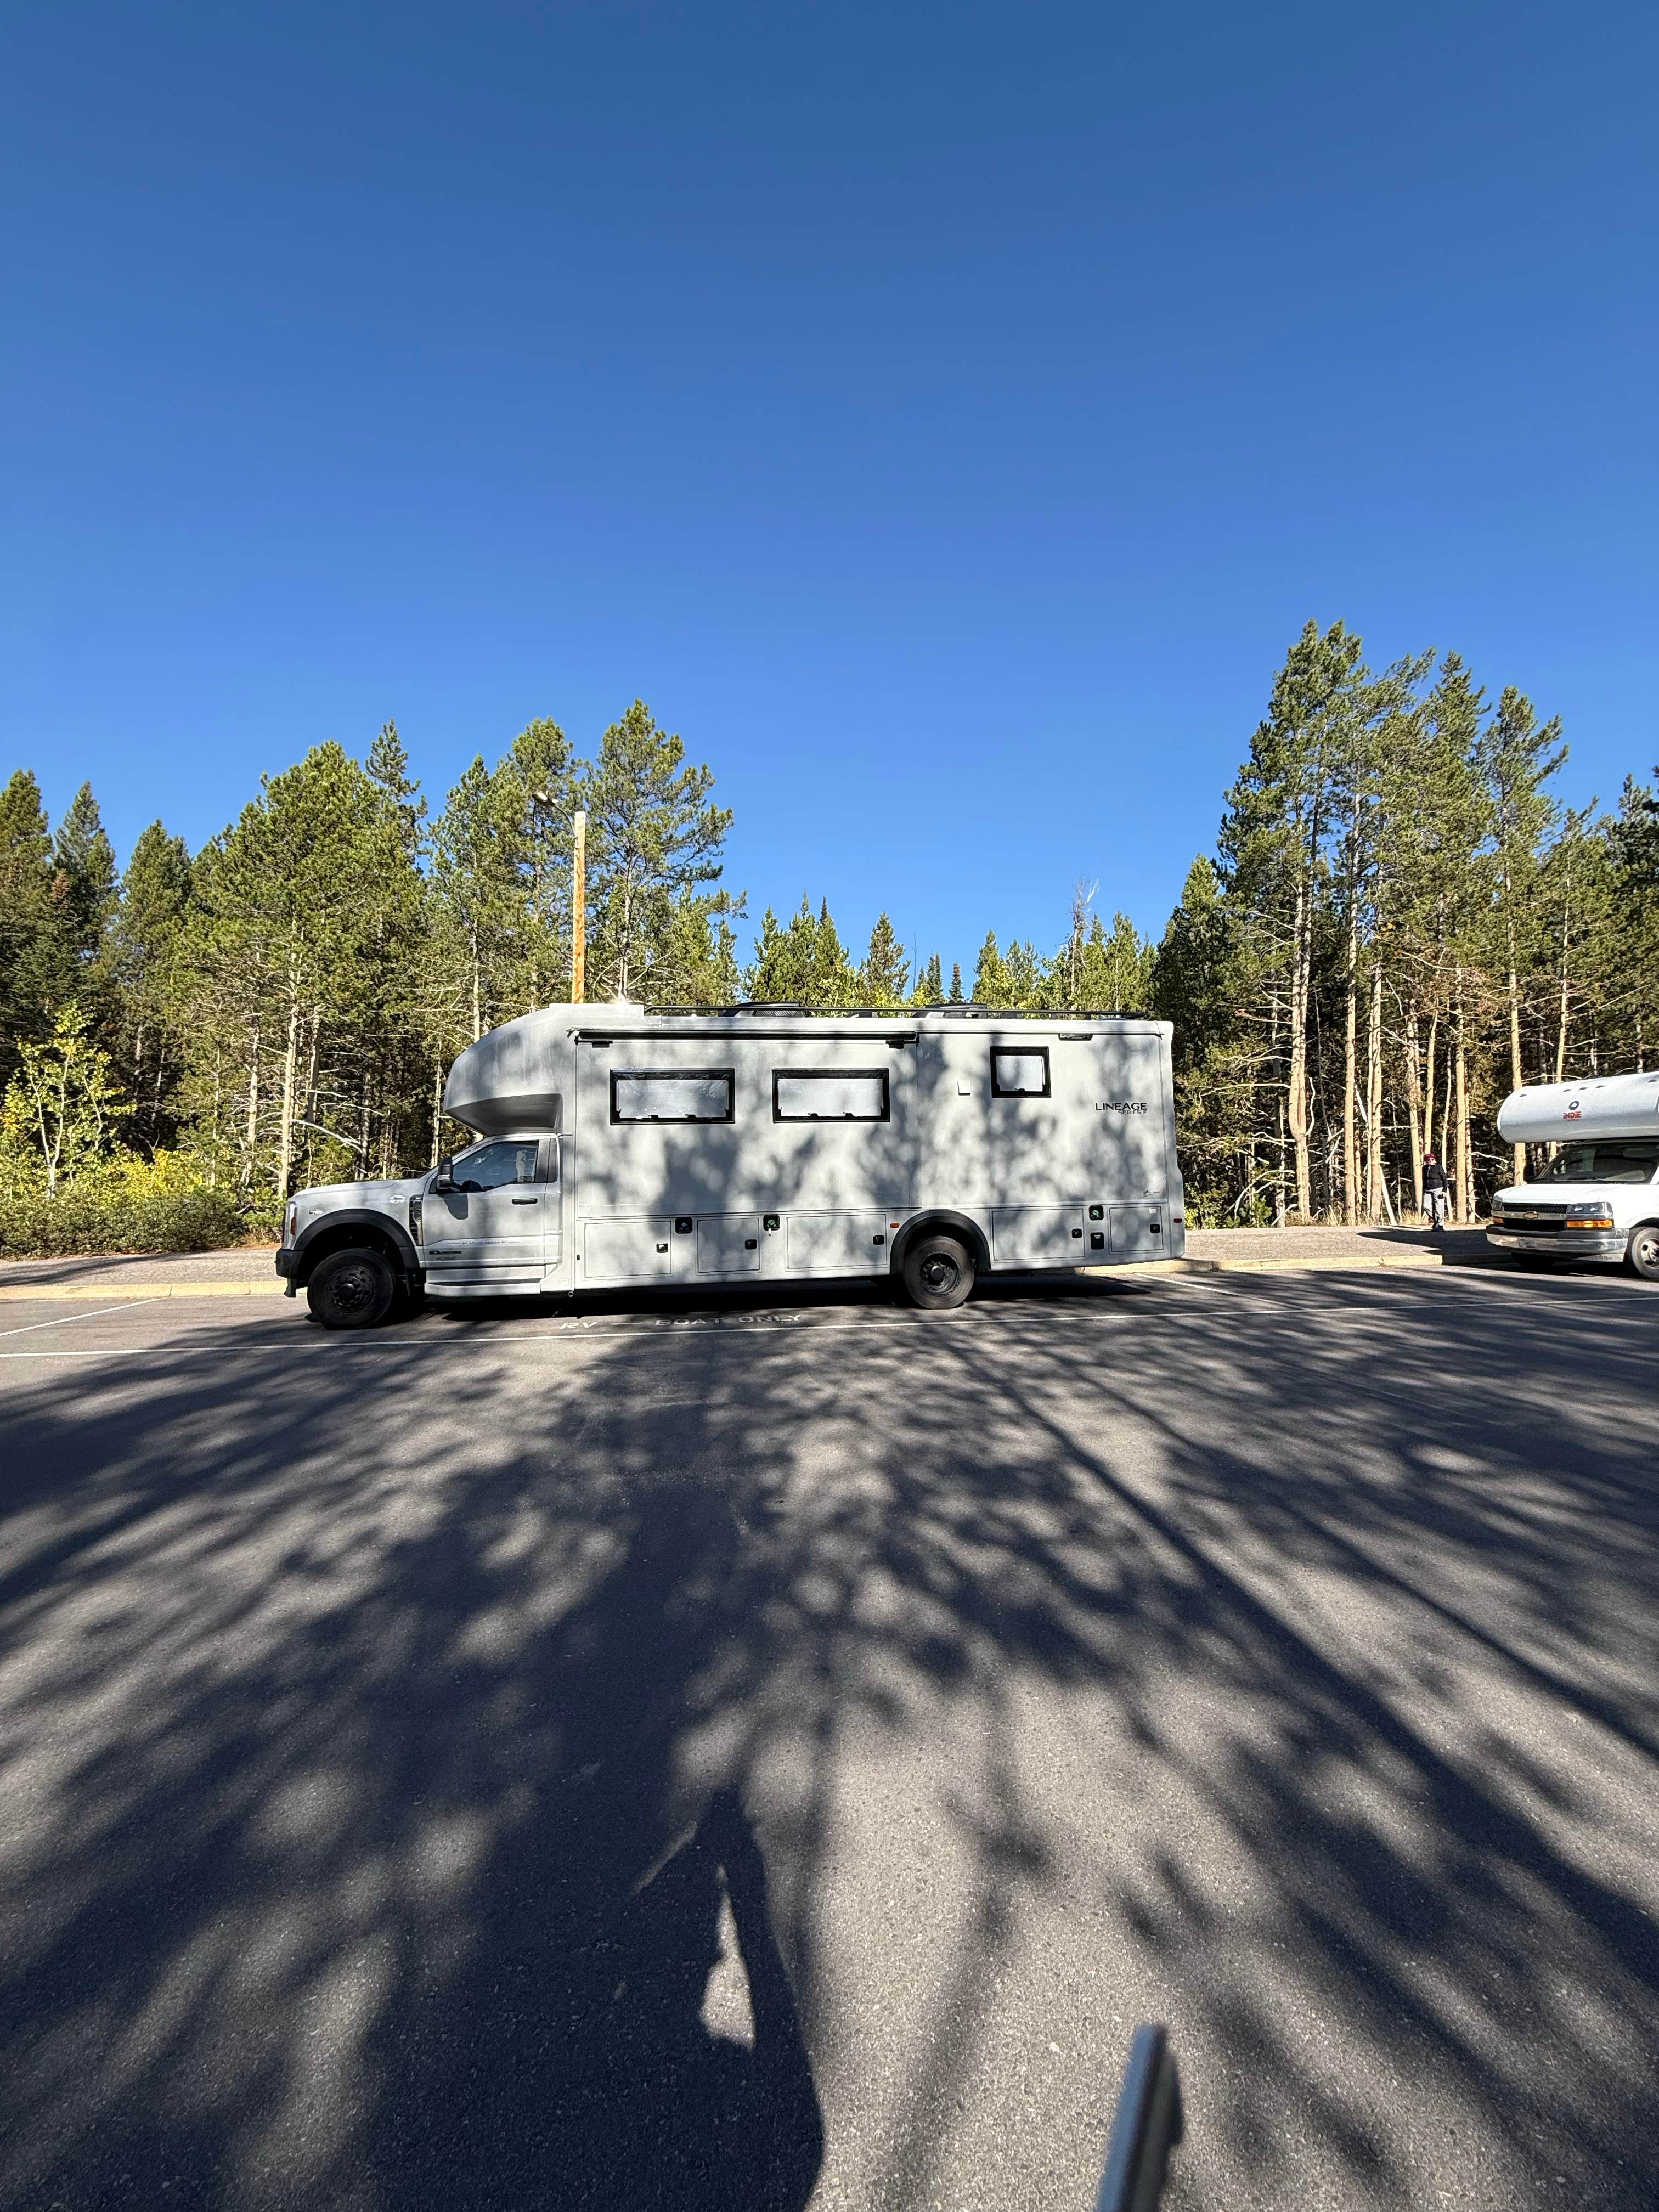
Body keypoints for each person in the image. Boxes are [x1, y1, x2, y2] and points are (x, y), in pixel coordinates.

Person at [1422, 1151, 1449, 1231]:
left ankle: (1440, 1225)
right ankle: (1437, 1221)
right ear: (1426, 1161)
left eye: (1432, 1159)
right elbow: (1424, 1180)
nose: (1431, 1161)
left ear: (1435, 1160)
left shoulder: (1438, 1167)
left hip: (1438, 1189)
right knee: (1426, 1206)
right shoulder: (1424, 1168)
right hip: (1428, 1190)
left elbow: (1445, 1180)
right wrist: (1424, 1190)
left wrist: (1444, 1191)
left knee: (1439, 1207)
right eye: (1428, 1160)